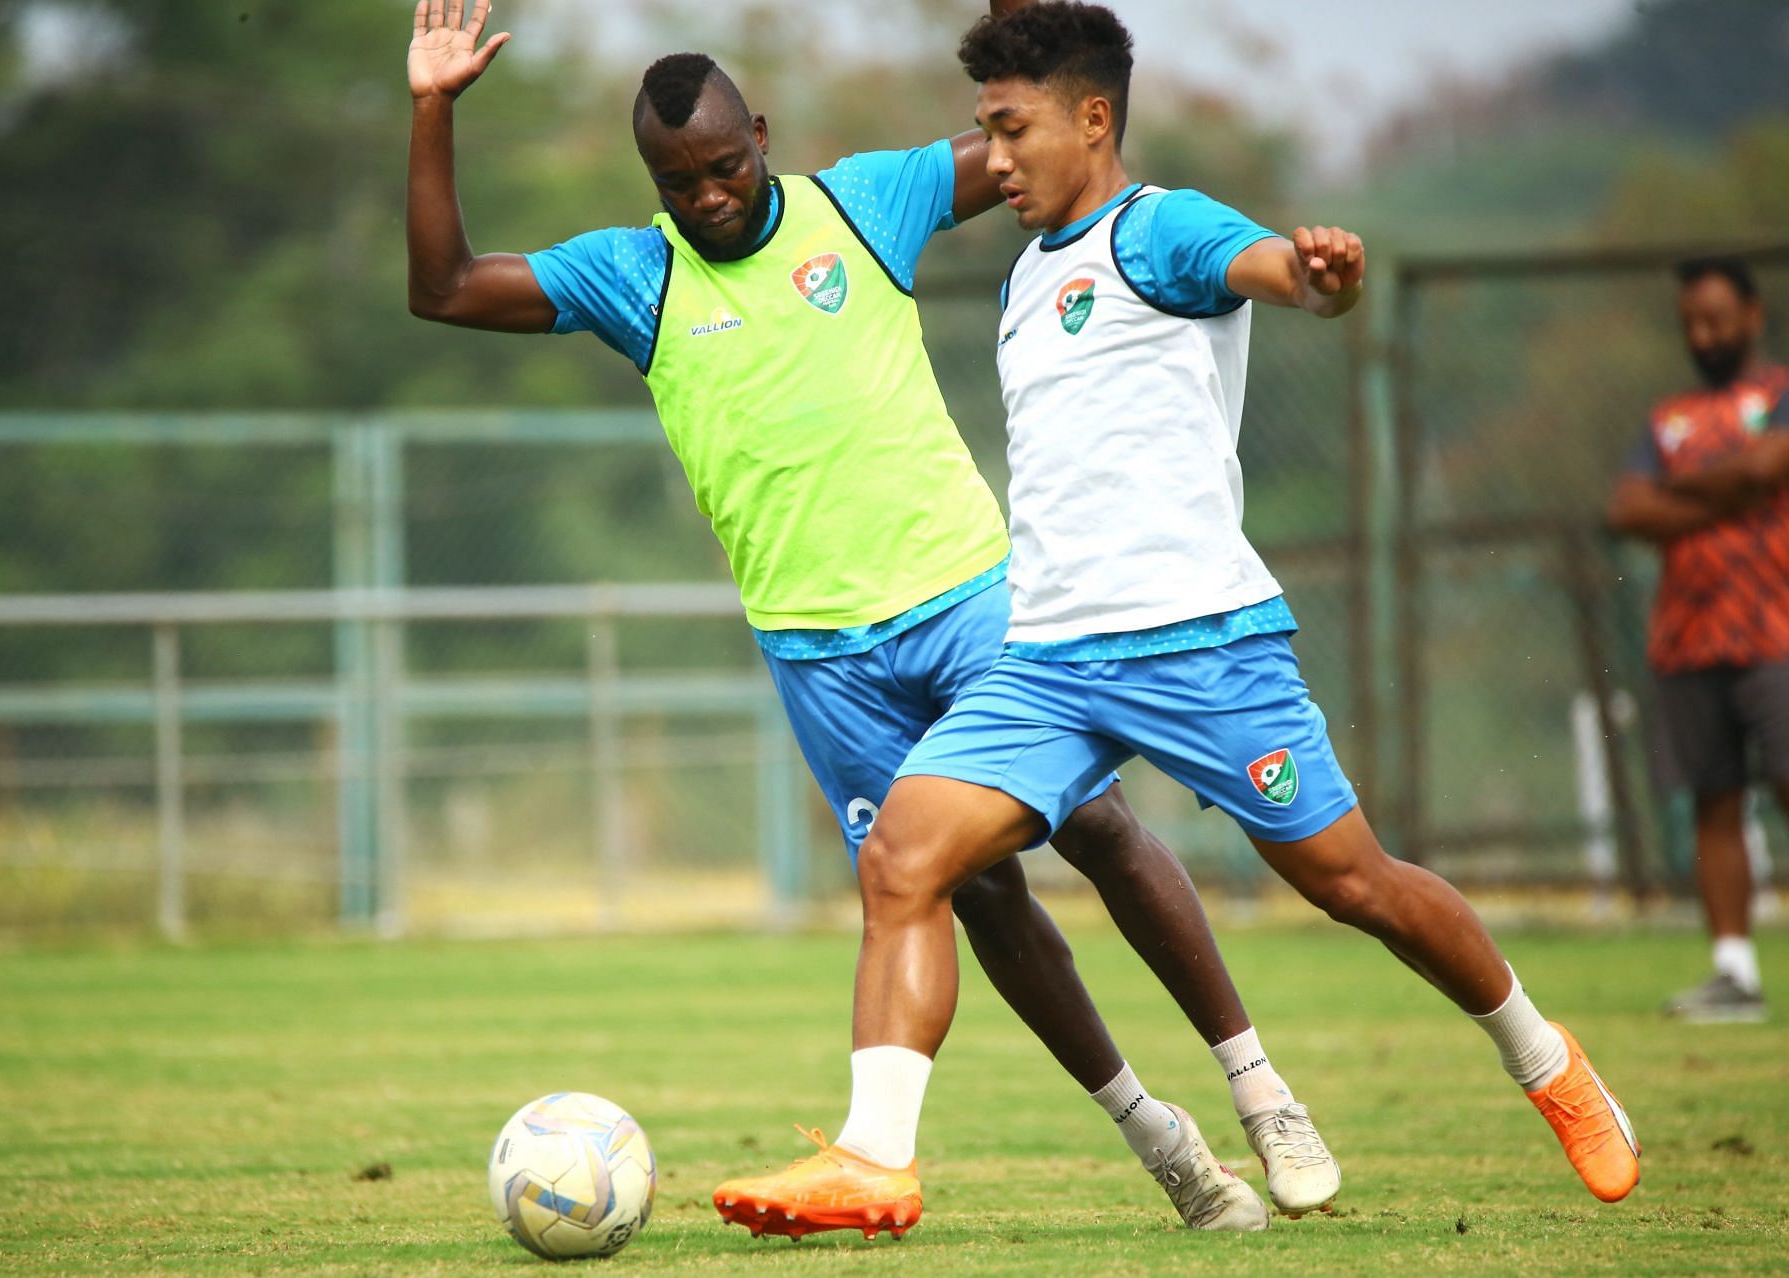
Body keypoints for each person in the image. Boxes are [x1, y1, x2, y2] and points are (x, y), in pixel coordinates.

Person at [404, 0, 1337, 1235]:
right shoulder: (635, 278)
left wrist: (1021, 27)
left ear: (765, 139)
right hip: (821, 661)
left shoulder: (867, 203)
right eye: (682, 183)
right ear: (653, 184)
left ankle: (1258, 1087)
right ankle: (1157, 1137)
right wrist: (431, 112)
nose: (712, 196)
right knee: (976, 896)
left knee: (1098, 828)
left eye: (729, 167)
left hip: (971, 599)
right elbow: (446, 288)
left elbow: (1028, 130)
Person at [715, 1, 1642, 1236]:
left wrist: (1318, 278)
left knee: (1353, 882)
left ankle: (1544, 1058)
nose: (991, 158)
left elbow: (1273, 270)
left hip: (1198, 647)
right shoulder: (1024, 274)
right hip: (1045, 661)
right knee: (904, 859)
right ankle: (874, 1159)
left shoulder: (1161, 230)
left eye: (1011, 128)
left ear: (1093, 120)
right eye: (986, 130)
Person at [1607, 256, 1788, 1023]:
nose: (1702, 333)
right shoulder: (1667, 416)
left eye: (1716, 317)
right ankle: (1733, 973)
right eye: (1690, 320)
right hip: (1688, 635)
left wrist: (1680, 489)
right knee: (1715, 802)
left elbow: (1769, 465)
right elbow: (1627, 509)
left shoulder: (1777, 395)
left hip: (1777, 629)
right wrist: (1732, 485)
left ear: (1752, 315)